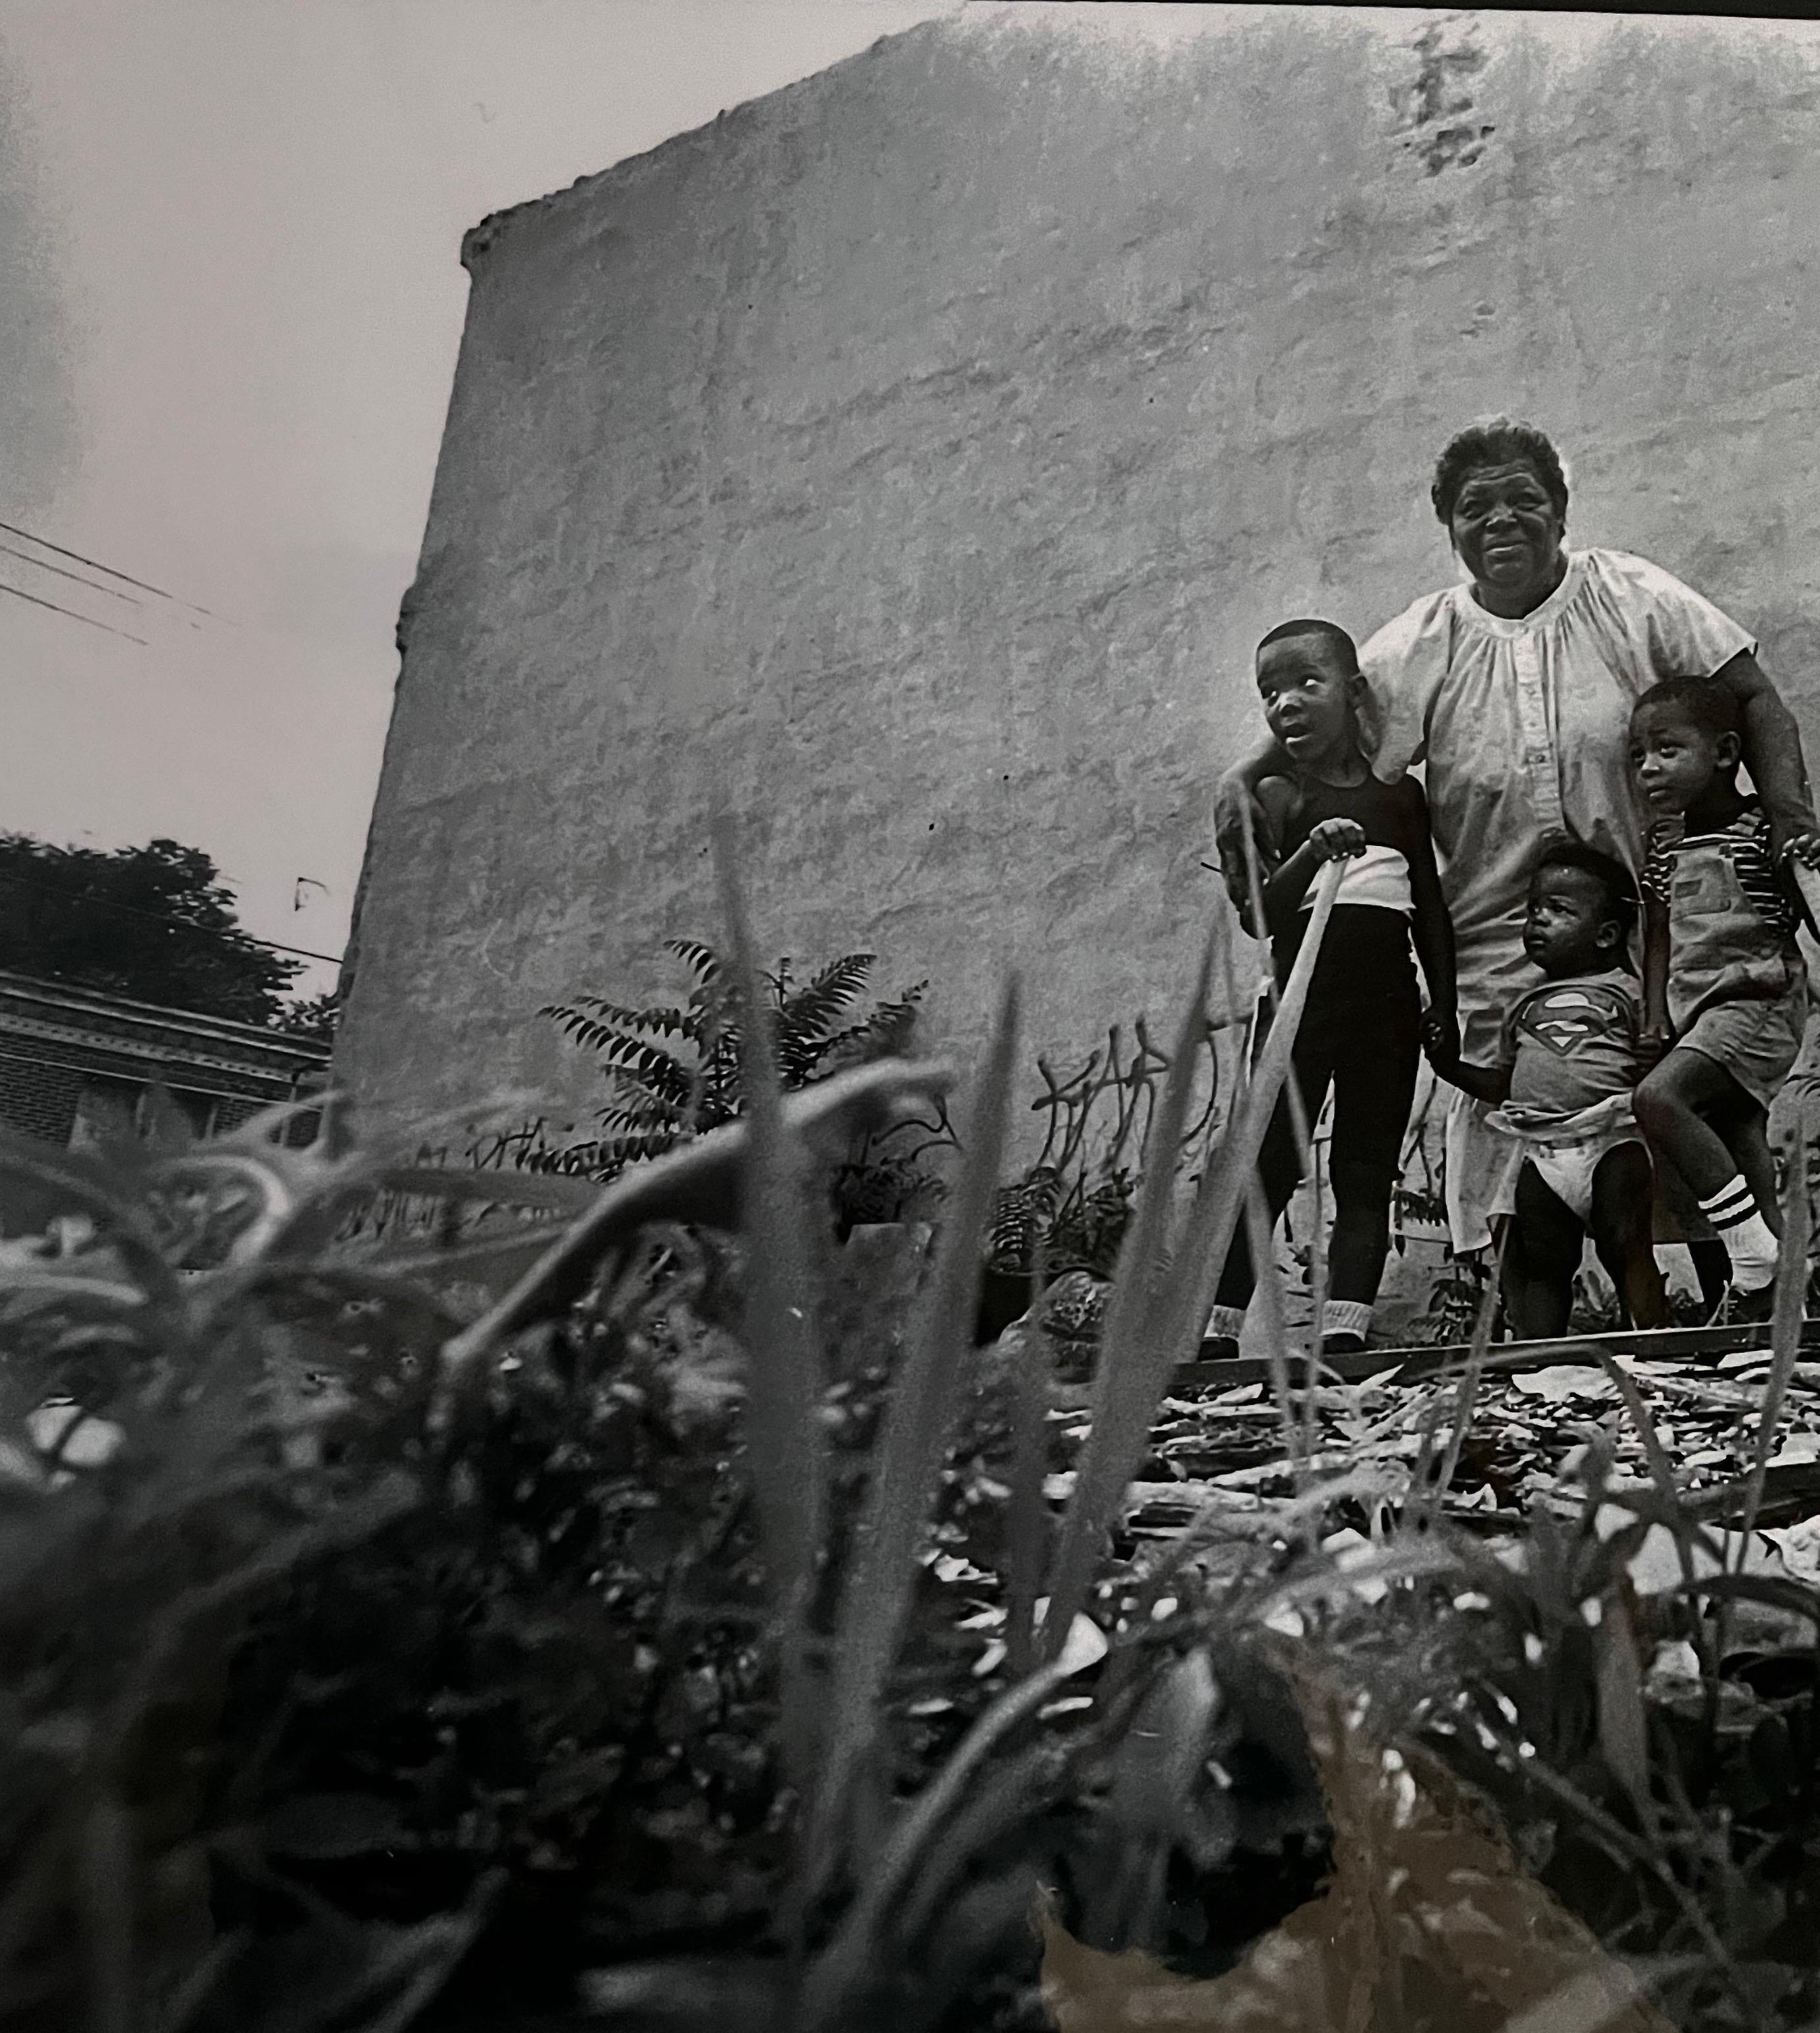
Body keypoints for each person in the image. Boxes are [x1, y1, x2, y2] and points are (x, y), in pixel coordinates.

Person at [1214, 417, 1820, 1265]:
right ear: (1450, 529)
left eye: (1523, 501)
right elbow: (1324, 729)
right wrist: (1237, 783)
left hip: (1654, 933)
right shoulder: (1425, 641)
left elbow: (1752, 697)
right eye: (1475, 508)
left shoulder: (1631, 596)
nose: (1500, 520)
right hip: (1501, 944)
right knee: (1519, 1149)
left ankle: (1729, 1302)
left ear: (1561, 512)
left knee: (1676, 1112)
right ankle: (1528, 1332)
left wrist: (1789, 811)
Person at [1206, 618, 1455, 1358]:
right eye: (1268, 693)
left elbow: (1430, 909)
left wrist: (1442, 1004)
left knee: (1366, 1167)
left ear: (1352, 694)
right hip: (1299, 1005)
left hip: (1385, 1007)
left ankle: (1345, 1334)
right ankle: (1219, 1337)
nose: (1284, 704)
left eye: (1303, 685)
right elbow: (1260, 916)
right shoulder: (1280, 795)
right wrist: (1311, 852)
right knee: (1268, 1165)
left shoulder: (1400, 799)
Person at [1424, 839, 1666, 1338]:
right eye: (1533, 909)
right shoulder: (1524, 1005)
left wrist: (1655, 1054)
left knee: (1625, 1243)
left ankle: (1652, 1347)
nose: (1537, 921)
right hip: (1542, 1151)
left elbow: (1662, 1055)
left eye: (1558, 910)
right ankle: (1539, 1357)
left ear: (1605, 935)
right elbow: (1504, 1084)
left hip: (1611, 1139)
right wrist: (1447, 1064)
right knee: (1543, 1259)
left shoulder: (1630, 991)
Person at [1630, 676, 1812, 1319]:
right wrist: (1654, 1013)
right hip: (1695, 1010)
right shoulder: (1662, 844)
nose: (1649, 768)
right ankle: (1781, 1300)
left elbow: (1806, 911)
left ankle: (1753, 1257)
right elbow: (1657, 932)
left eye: (1667, 749)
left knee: (1658, 1098)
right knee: (1737, 1133)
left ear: (1727, 752)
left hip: (1756, 996)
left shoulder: (1762, 829)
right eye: (1638, 755)